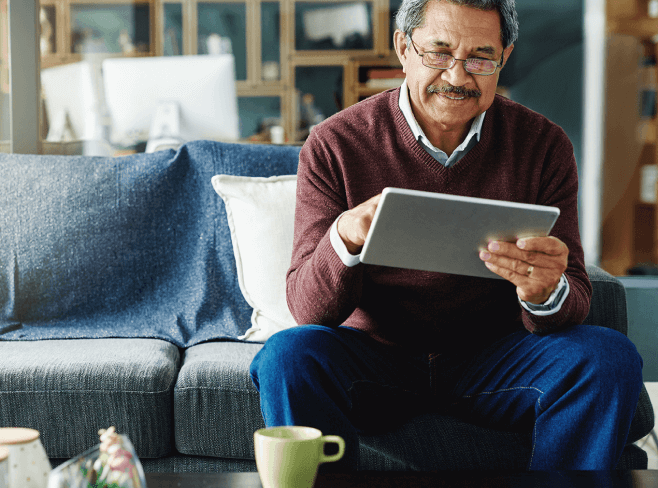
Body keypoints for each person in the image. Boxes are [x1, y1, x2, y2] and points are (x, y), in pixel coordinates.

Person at [250, 0, 644, 471]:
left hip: (496, 360)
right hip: (376, 360)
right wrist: (345, 237)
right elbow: (308, 309)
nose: (458, 77)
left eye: (480, 57)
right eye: (439, 52)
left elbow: (575, 294)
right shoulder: (335, 144)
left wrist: (546, 293)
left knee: (608, 356)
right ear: (403, 47)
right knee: (288, 356)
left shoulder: (543, 145)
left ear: (505, 57)